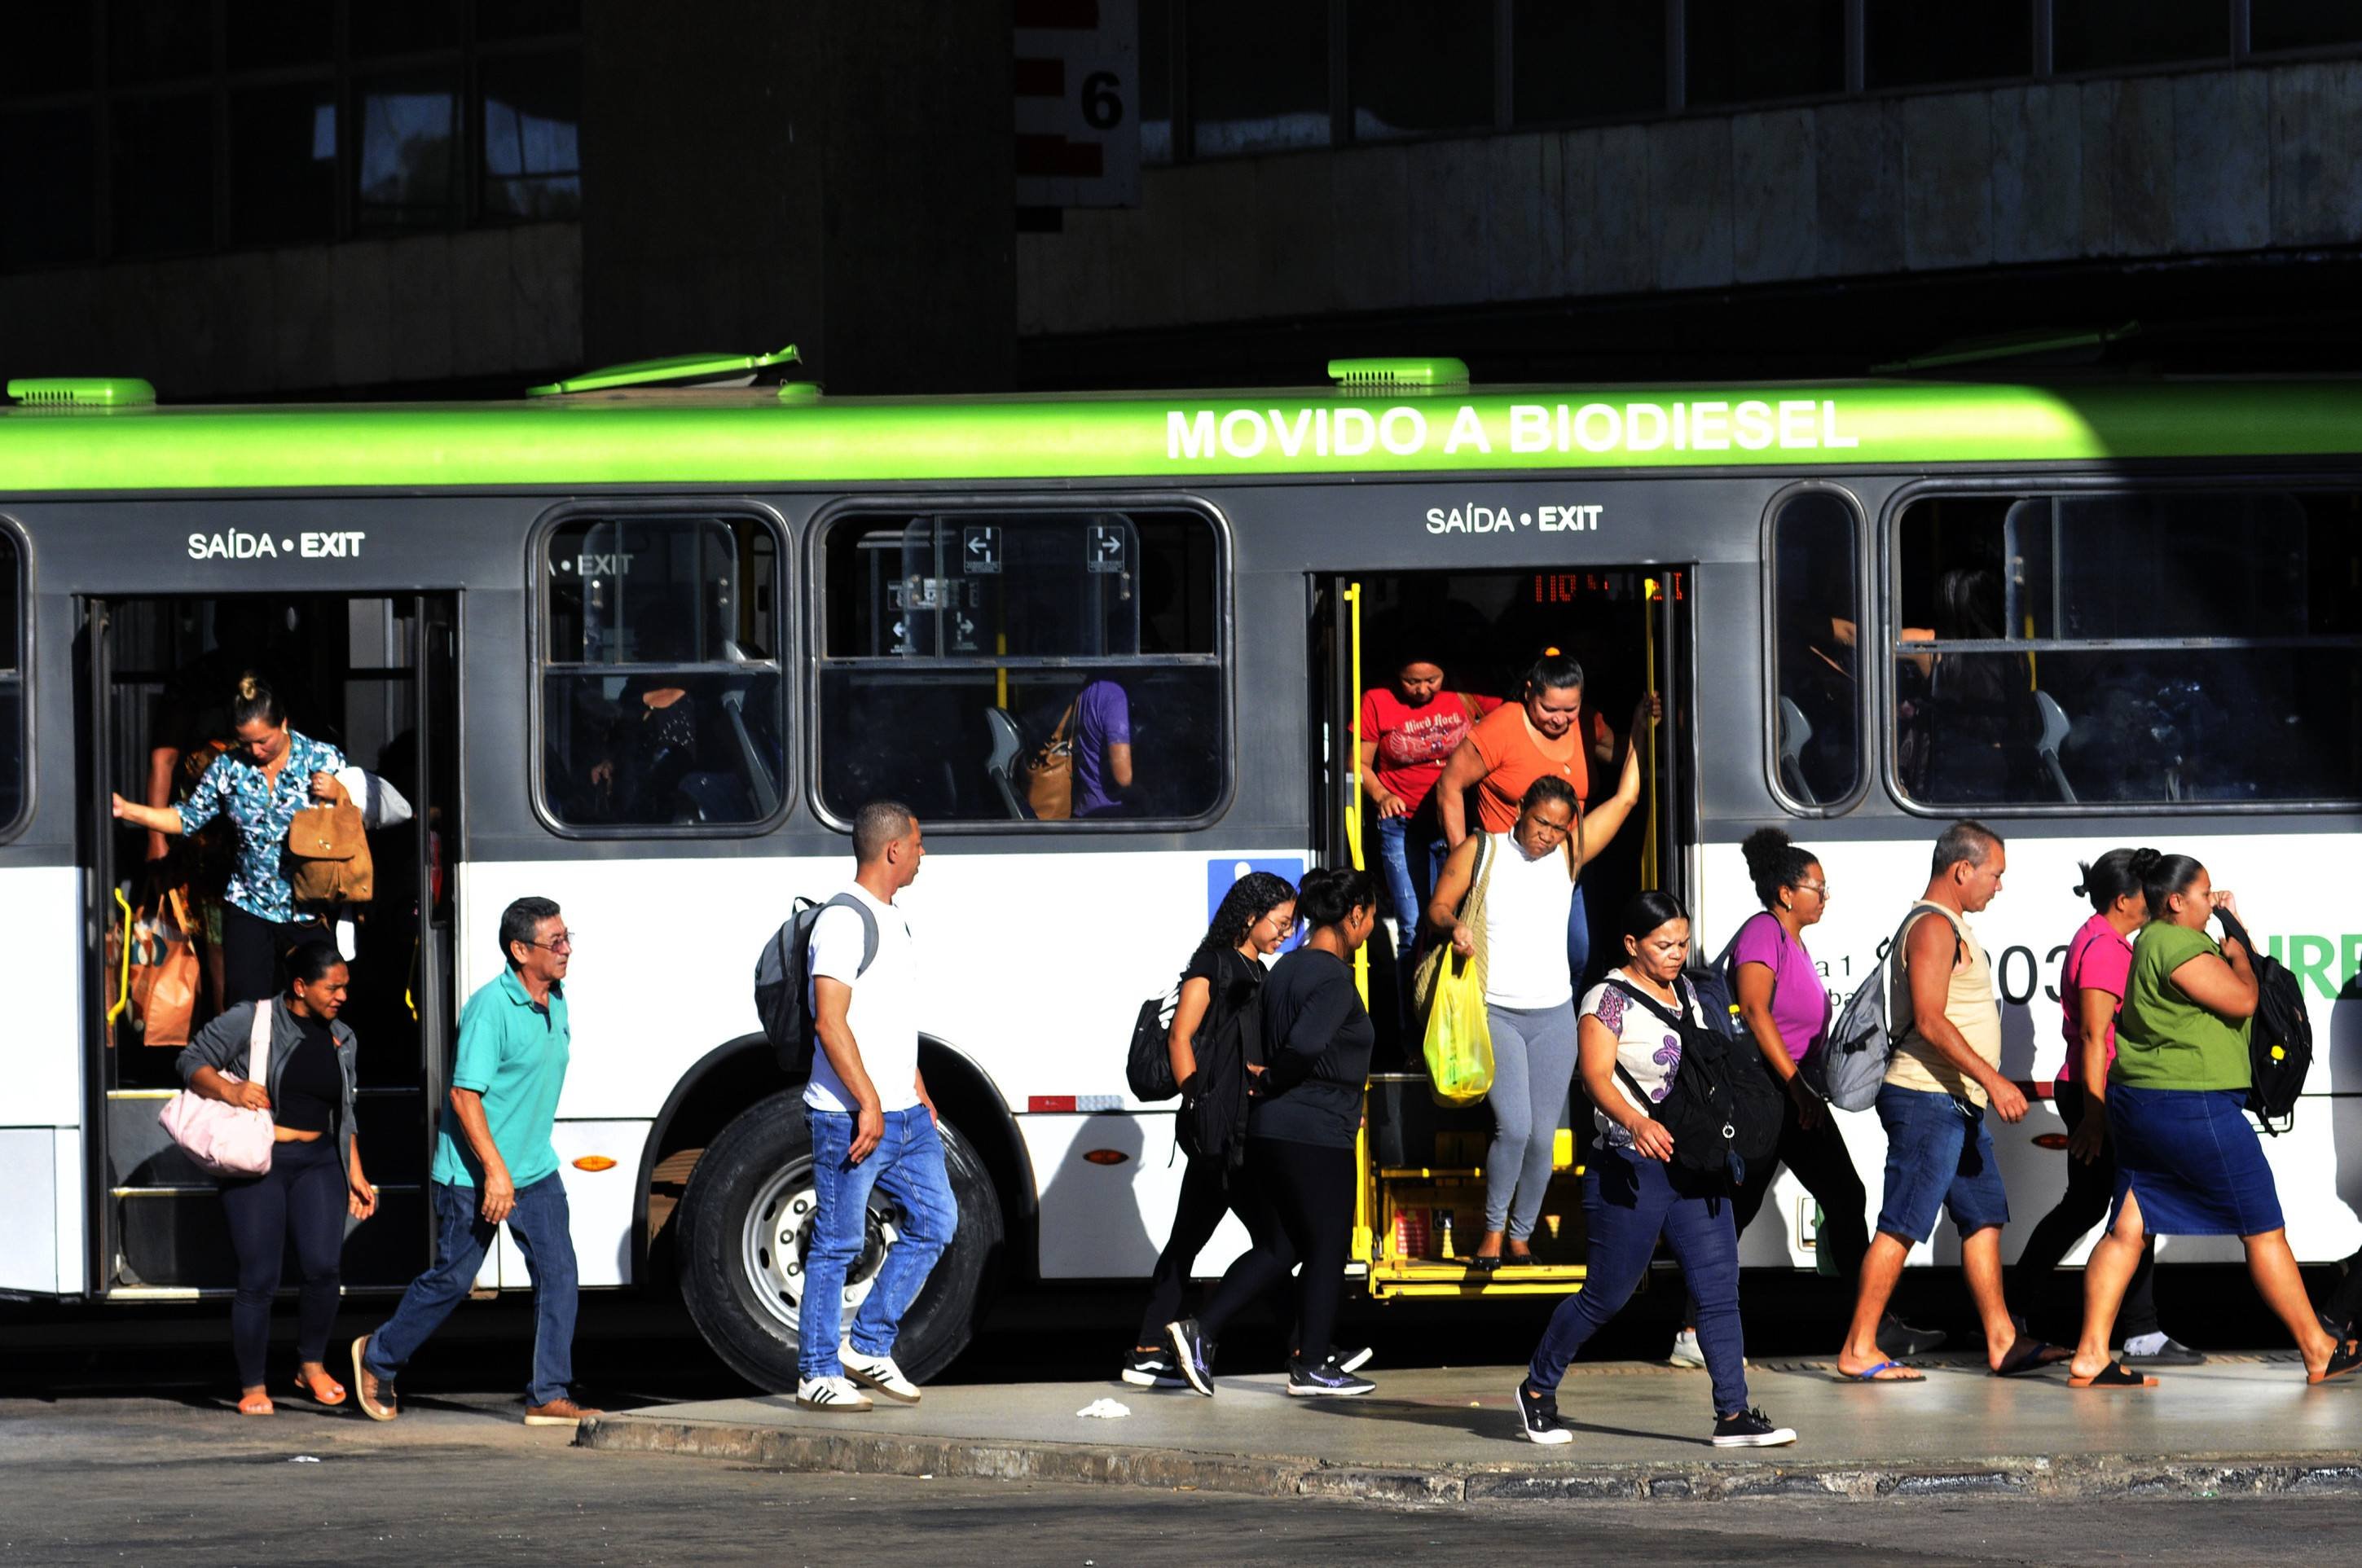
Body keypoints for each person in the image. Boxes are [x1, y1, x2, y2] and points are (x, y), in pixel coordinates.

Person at [2066, 854, 2362, 1389]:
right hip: (2192, 1105)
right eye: (2204, 893)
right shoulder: (2178, 945)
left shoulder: (2153, 940)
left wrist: (2230, 928)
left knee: (2127, 1227)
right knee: (2263, 1229)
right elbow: (2243, 998)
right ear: (2176, 901)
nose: (2212, 899)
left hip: (2143, 1102)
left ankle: (2090, 1353)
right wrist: (2239, 954)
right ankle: (2318, 1348)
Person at [1514, 890, 1797, 1449]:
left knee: (1718, 1291)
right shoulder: (1607, 999)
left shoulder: (1687, 991)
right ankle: (1537, 1387)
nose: (1675, 953)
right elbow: (1595, 1076)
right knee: (1605, 1295)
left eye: (1682, 943)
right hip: (1630, 1165)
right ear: (1631, 944)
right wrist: (1634, 1121)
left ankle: (1733, 1414)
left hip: (1695, 1164)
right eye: (1663, 944)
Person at [1668, 828, 1943, 1368]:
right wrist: (1796, 1085)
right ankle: (1693, 1330)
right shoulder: (1762, 931)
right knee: (1737, 1210)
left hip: (1791, 1096)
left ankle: (1870, 1326)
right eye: (1817, 887)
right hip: (1765, 1094)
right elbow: (1754, 1010)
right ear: (1786, 893)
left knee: (1842, 1195)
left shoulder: (1791, 941)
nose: (1825, 896)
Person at [1424, 694, 1657, 1269]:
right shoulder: (1482, 849)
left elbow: (1626, 797)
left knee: (1543, 1138)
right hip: (1496, 1011)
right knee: (1515, 1127)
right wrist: (1455, 927)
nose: (1547, 835)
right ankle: (1491, 1232)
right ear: (1519, 812)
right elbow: (1437, 907)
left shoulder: (1567, 856)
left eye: (1558, 827)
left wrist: (1635, 728)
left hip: (1554, 1015)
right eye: (1540, 823)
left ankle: (1521, 1235)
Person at [351, 898, 600, 1426]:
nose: (566, 949)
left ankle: (548, 1393)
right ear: (520, 950)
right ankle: (378, 1355)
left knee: (560, 1275)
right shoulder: (490, 1008)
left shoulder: (555, 999)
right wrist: (495, 1171)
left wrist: (516, 1166)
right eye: (555, 941)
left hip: (534, 1169)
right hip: (473, 1174)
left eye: (566, 937)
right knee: (453, 1279)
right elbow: (464, 1096)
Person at [1835, 820, 2067, 1382]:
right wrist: (1995, 1080)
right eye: (1995, 874)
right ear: (1962, 869)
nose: (1999, 886)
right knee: (1901, 1223)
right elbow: (1930, 1020)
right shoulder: (1932, 928)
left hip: (1956, 1104)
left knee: (1983, 1217)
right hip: (1926, 1098)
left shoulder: (1951, 926)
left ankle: (2002, 1340)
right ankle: (1859, 1346)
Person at [1168, 867, 1383, 1399]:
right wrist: (1277, 1078)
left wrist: (1271, 1083)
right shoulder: (1333, 977)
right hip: (1315, 1132)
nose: (1371, 928)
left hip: (1271, 1128)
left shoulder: (1283, 969)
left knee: (1281, 1245)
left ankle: (1201, 1330)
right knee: (1328, 1245)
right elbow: (1305, 1047)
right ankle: (1313, 1364)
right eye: (1371, 918)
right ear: (1354, 915)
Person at [794, 800, 959, 1412]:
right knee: (837, 1244)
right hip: (850, 1117)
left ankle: (866, 1345)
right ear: (893, 849)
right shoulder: (843, 920)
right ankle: (816, 1371)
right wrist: (868, 1102)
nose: (922, 853)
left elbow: (887, 1019)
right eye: (917, 843)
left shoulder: (894, 919)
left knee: (936, 1222)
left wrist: (917, 1088)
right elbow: (829, 1022)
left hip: (905, 1114)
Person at [2011, 850, 2198, 1368]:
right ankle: (2140, 1330)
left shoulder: (2104, 939)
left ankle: (2016, 1307)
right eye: (2144, 893)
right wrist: (2095, 1116)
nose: (2153, 900)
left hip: (2096, 1091)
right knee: (2133, 1204)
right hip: (2099, 1093)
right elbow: (2096, 1036)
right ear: (2122, 900)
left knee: (2090, 1206)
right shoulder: (2103, 949)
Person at [178, 941, 376, 1416]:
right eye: (333, 987)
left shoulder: (342, 1037)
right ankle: (252, 1384)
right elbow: (189, 1061)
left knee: (324, 1268)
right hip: (259, 1161)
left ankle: (311, 1365)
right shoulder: (253, 1019)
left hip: (320, 1161)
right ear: (301, 987)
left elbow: (345, 1113)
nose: (343, 996)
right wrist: (229, 1090)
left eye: (345, 986)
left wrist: (356, 1172)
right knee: (259, 1276)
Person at [1120, 871, 1297, 1387]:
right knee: (1271, 1243)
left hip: (1236, 1128)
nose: (1287, 932)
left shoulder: (1257, 969)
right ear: (1251, 916)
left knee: (1214, 1242)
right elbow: (1181, 1036)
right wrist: (1197, 1100)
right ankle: (1306, 1349)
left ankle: (1149, 1349)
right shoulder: (1212, 964)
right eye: (1281, 922)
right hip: (1216, 1132)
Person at [112, 674, 349, 1005]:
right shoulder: (228, 767)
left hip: (309, 907)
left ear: (283, 723)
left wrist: (340, 792)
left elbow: (361, 816)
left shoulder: (322, 758)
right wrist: (129, 810)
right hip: (249, 904)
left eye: (263, 741)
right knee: (246, 1010)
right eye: (245, 742)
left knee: (317, 1007)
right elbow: (186, 818)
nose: (255, 751)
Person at [1436, 651, 1621, 990]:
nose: (1560, 720)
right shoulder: (1502, 726)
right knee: (1514, 962)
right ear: (1529, 692)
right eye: (1549, 709)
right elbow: (1450, 784)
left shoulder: (1586, 723)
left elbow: (1618, 753)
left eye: (1570, 709)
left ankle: (1574, 1020)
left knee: (1581, 955)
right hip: (1509, 869)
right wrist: (1464, 857)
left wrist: (1645, 725)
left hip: (1567, 865)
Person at [1358, 657, 1497, 984]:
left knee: (1460, 920)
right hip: (1401, 825)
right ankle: (1412, 1013)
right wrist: (1381, 795)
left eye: (1431, 680)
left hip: (1456, 824)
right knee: (1412, 927)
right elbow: (1358, 764)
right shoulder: (1377, 700)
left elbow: (1513, 727)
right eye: (1412, 682)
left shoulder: (1466, 691)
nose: (1422, 690)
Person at [1073, 677, 1133, 817]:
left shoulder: (1089, 685)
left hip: (1086, 805)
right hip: (1109, 814)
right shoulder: (1114, 694)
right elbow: (1123, 777)